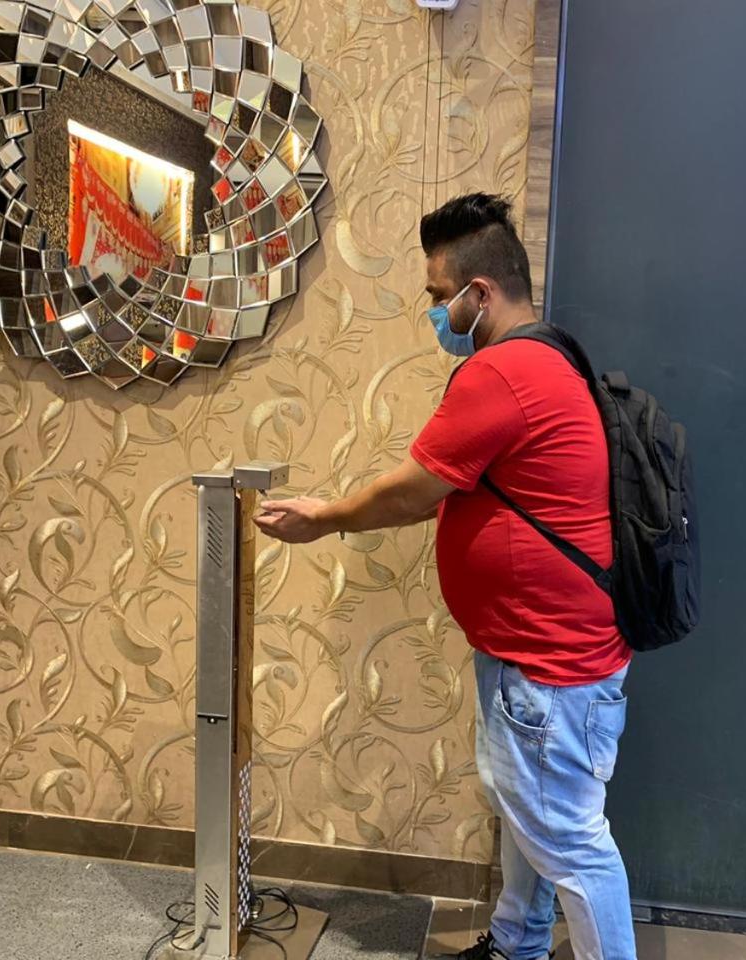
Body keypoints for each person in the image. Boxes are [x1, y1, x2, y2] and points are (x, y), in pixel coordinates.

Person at [253, 193, 635, 960]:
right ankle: (517, 945)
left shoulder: (506, 372)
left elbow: (412, 490)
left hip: (550, 665)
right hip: (543, 654)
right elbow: (460, 492)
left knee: (568, 840)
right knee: (530, 817)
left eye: (439, 296)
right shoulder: (551, 357)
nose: (434, 313)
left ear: (479, 293)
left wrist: (325, 517)